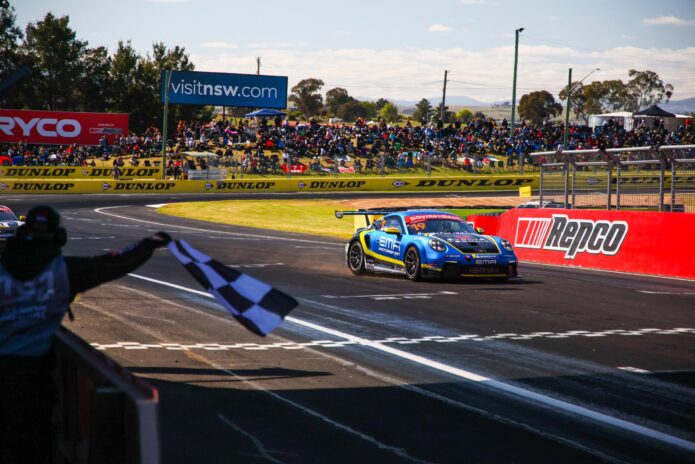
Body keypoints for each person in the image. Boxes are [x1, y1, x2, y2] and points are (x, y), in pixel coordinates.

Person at [0, 205, 171, 464]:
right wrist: (149, 244)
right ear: (59, 238)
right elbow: (113, 263)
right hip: (33, 377)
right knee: (33, 443)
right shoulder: (63, 271)